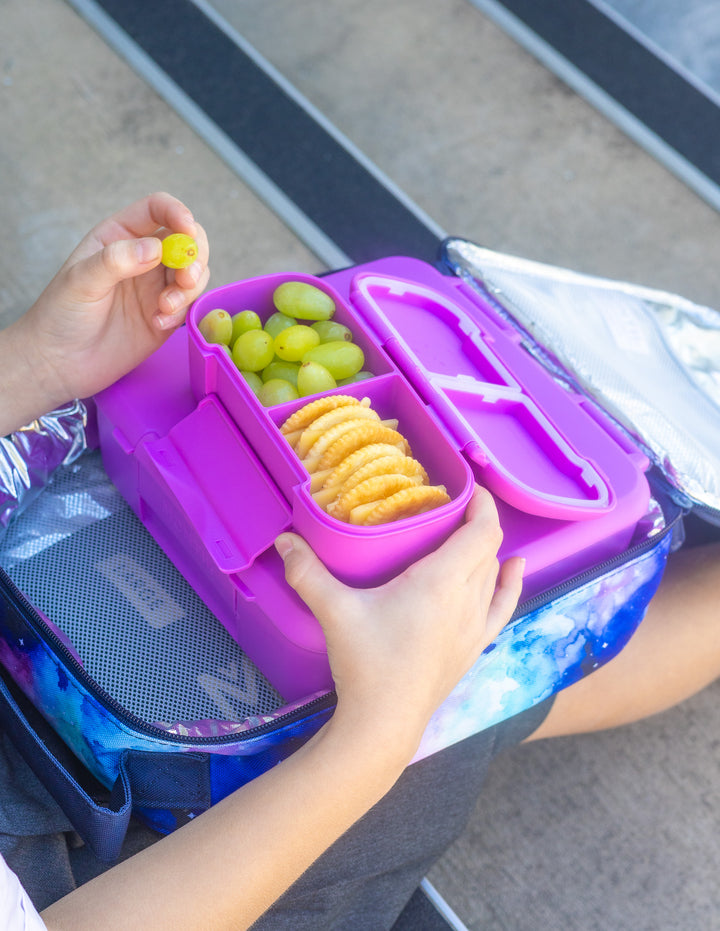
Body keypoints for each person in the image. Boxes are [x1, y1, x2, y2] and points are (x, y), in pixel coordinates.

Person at [2, 192, 719, 930]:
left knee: (486, 649)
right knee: (490, 678)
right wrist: (382, 729)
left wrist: (35, 362)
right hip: (137, 878)